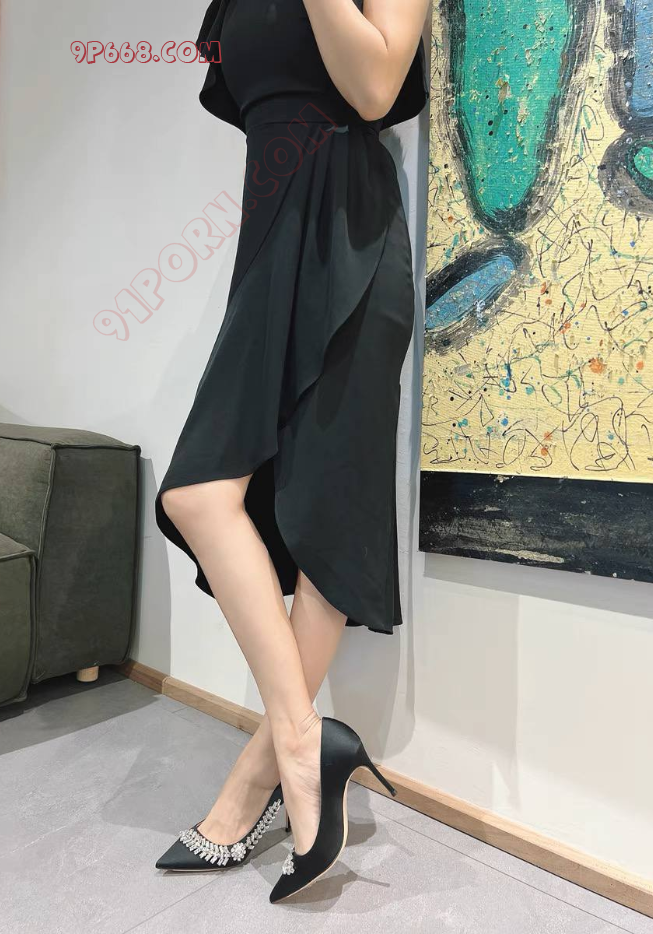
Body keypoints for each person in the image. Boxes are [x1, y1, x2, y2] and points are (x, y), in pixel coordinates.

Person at [154, 0, 430, 903]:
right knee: (201, 493)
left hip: (351, 236)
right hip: (271, 241)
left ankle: (259, 778)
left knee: (325, 523)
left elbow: (375, 85)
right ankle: (305, 741)